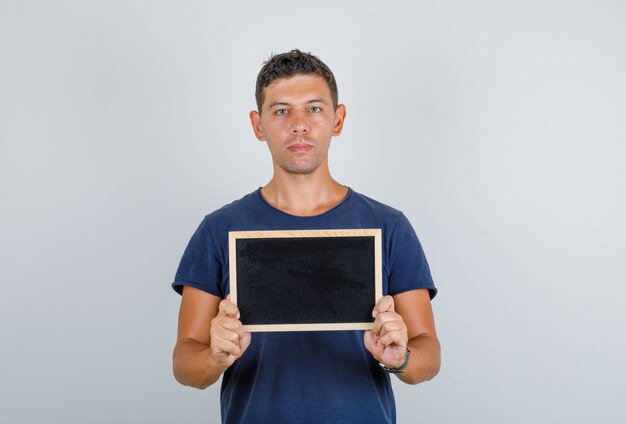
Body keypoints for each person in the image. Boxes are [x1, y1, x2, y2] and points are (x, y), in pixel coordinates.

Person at [172, 49, 440, 424]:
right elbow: (185, 363)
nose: (299, 124)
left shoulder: (389, 226)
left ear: (338, 119)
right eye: (281, 111)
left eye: (314, 109)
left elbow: (428, 353)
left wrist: (402, 358)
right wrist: (213, 357)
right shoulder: (218, 229)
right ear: (258, 124)